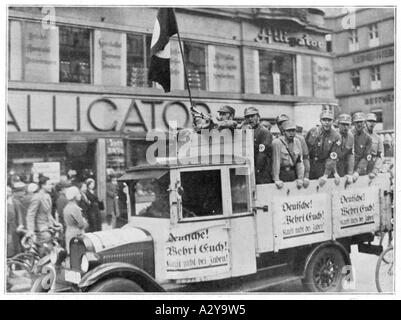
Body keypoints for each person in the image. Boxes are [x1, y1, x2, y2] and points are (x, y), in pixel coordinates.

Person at [25, 174, 61, 256]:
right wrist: (30, 230)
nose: (51, 186)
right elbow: (30, 215)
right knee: (47, 253)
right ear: (43, 185)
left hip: (48, 227)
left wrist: (55, 223)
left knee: (52, 252)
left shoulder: (47, 196)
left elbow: (48, 213)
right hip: (41, 229)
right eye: (49, 184)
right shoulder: (37, 197)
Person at [306, 110, 341, 184]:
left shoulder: (336, 136)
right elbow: (305, 150)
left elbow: (332, 157)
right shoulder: (313, 131)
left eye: (329, 120)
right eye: (324, 120)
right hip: (310, 166)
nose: (326, 122)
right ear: (320, 121)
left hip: (325, 167)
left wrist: (325, 175)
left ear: (333, 121)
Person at [276, 114, 310, 187]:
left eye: (285, 122)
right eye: (280, 124)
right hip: (282, 175)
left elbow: (305, 158)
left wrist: (306, 176)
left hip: (296, 174)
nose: (282, 125)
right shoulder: (277, 140)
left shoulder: (299, 139)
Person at [243, 107, 273, 184]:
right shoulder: (245, 131)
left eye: (252, 116)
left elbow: (262, 154)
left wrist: (257, 170)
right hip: (247, 169)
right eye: (247, 117)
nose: (250, 119)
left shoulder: (264, 132)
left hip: (261, 170)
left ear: (258, 117)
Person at [272, 120, 304, 189]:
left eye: (293, 131)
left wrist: (300, 178)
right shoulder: (277, 143)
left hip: (292, 173)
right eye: (289, 131)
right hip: (282, 174)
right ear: (284, 132)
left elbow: (299, 161)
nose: (291, 133)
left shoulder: (297, 141)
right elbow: (276, 162)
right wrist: (276, 179)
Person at [63, 186, 88, 253]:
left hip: (68, 232)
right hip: (76, 233)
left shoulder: (66, 207)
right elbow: (81, 224)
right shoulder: (75, 208)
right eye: (78, 194)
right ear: (74, 196)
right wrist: (85, 223)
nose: (80, 195)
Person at [336, 114, 355, 185]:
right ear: (338, 124)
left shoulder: (351, 137)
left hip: (342, 166)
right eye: (343, 124)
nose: (346, 127)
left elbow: (350, 155)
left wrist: (350, 173)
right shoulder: (333, 135)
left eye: (348, 125)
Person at [352, 112, 372, 177]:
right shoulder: (348, 135)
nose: (359, 124)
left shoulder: (368, 138)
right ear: (353, 123)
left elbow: (366, 156)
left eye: (361, 122)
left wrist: (357, 171)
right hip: (345, 170)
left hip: (359, 170)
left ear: (364, 123)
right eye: (357, 122)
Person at [365, 113, 384, 179]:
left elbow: (380, 156)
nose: (372, 123)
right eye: (370, 121)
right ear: (365, 122)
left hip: (371, 169)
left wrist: (375, 170)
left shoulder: (378, 139)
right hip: (359, 169)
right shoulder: (359, 136)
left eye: (374, 122)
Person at [7, 186, 22, 257]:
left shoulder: (14, 202)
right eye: (7, 191)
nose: (8, 193)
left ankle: (17, 265)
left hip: (13, 228)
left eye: (10, 191)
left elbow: (19, 215)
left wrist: (20, 225)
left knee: (15, 248)